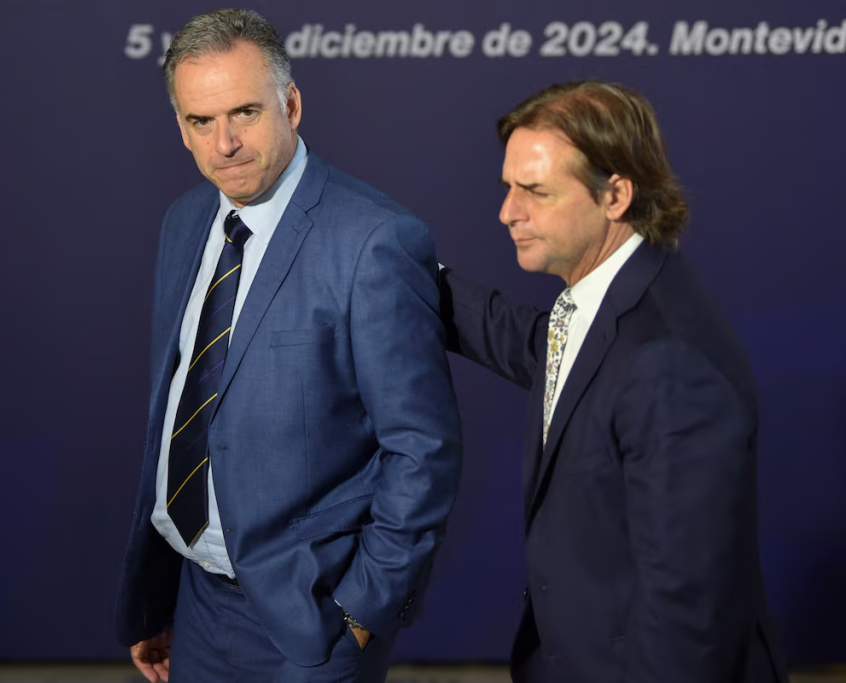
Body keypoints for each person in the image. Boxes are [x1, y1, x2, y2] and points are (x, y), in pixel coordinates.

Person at [115, 9, 462, 682]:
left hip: (314, 620)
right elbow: (184, 413)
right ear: (181, 128)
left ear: (292, 105)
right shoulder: (185, 221)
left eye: (244, 112)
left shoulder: (373, 240)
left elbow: (423, 447)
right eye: (201, 121)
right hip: (195, 600)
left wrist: (364, 609)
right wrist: (157, 595)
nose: (225, 143)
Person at [439, 81, 788, 682]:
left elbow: (685, 609)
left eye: (536, 191)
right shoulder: (613, 302)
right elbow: (536, 345)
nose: (508, 212)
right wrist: (400, 269)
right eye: (508, 187)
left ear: (616, 196)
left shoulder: (668, 359)